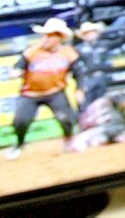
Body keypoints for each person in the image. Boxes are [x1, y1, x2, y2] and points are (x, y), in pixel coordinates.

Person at [6, 18, 86, 160]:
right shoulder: (31, 52)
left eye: (50, 35)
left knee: (66, 118)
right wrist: (16, 71)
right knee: (21, 121)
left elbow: (79, 73)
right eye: (45, 35)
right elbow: (19, 65)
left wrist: (79, 90)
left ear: (59, 37)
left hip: (55, 92)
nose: (46, 38)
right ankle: (19, 144)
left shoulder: (69, 53)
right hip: (30, 94)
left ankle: (69, 140)